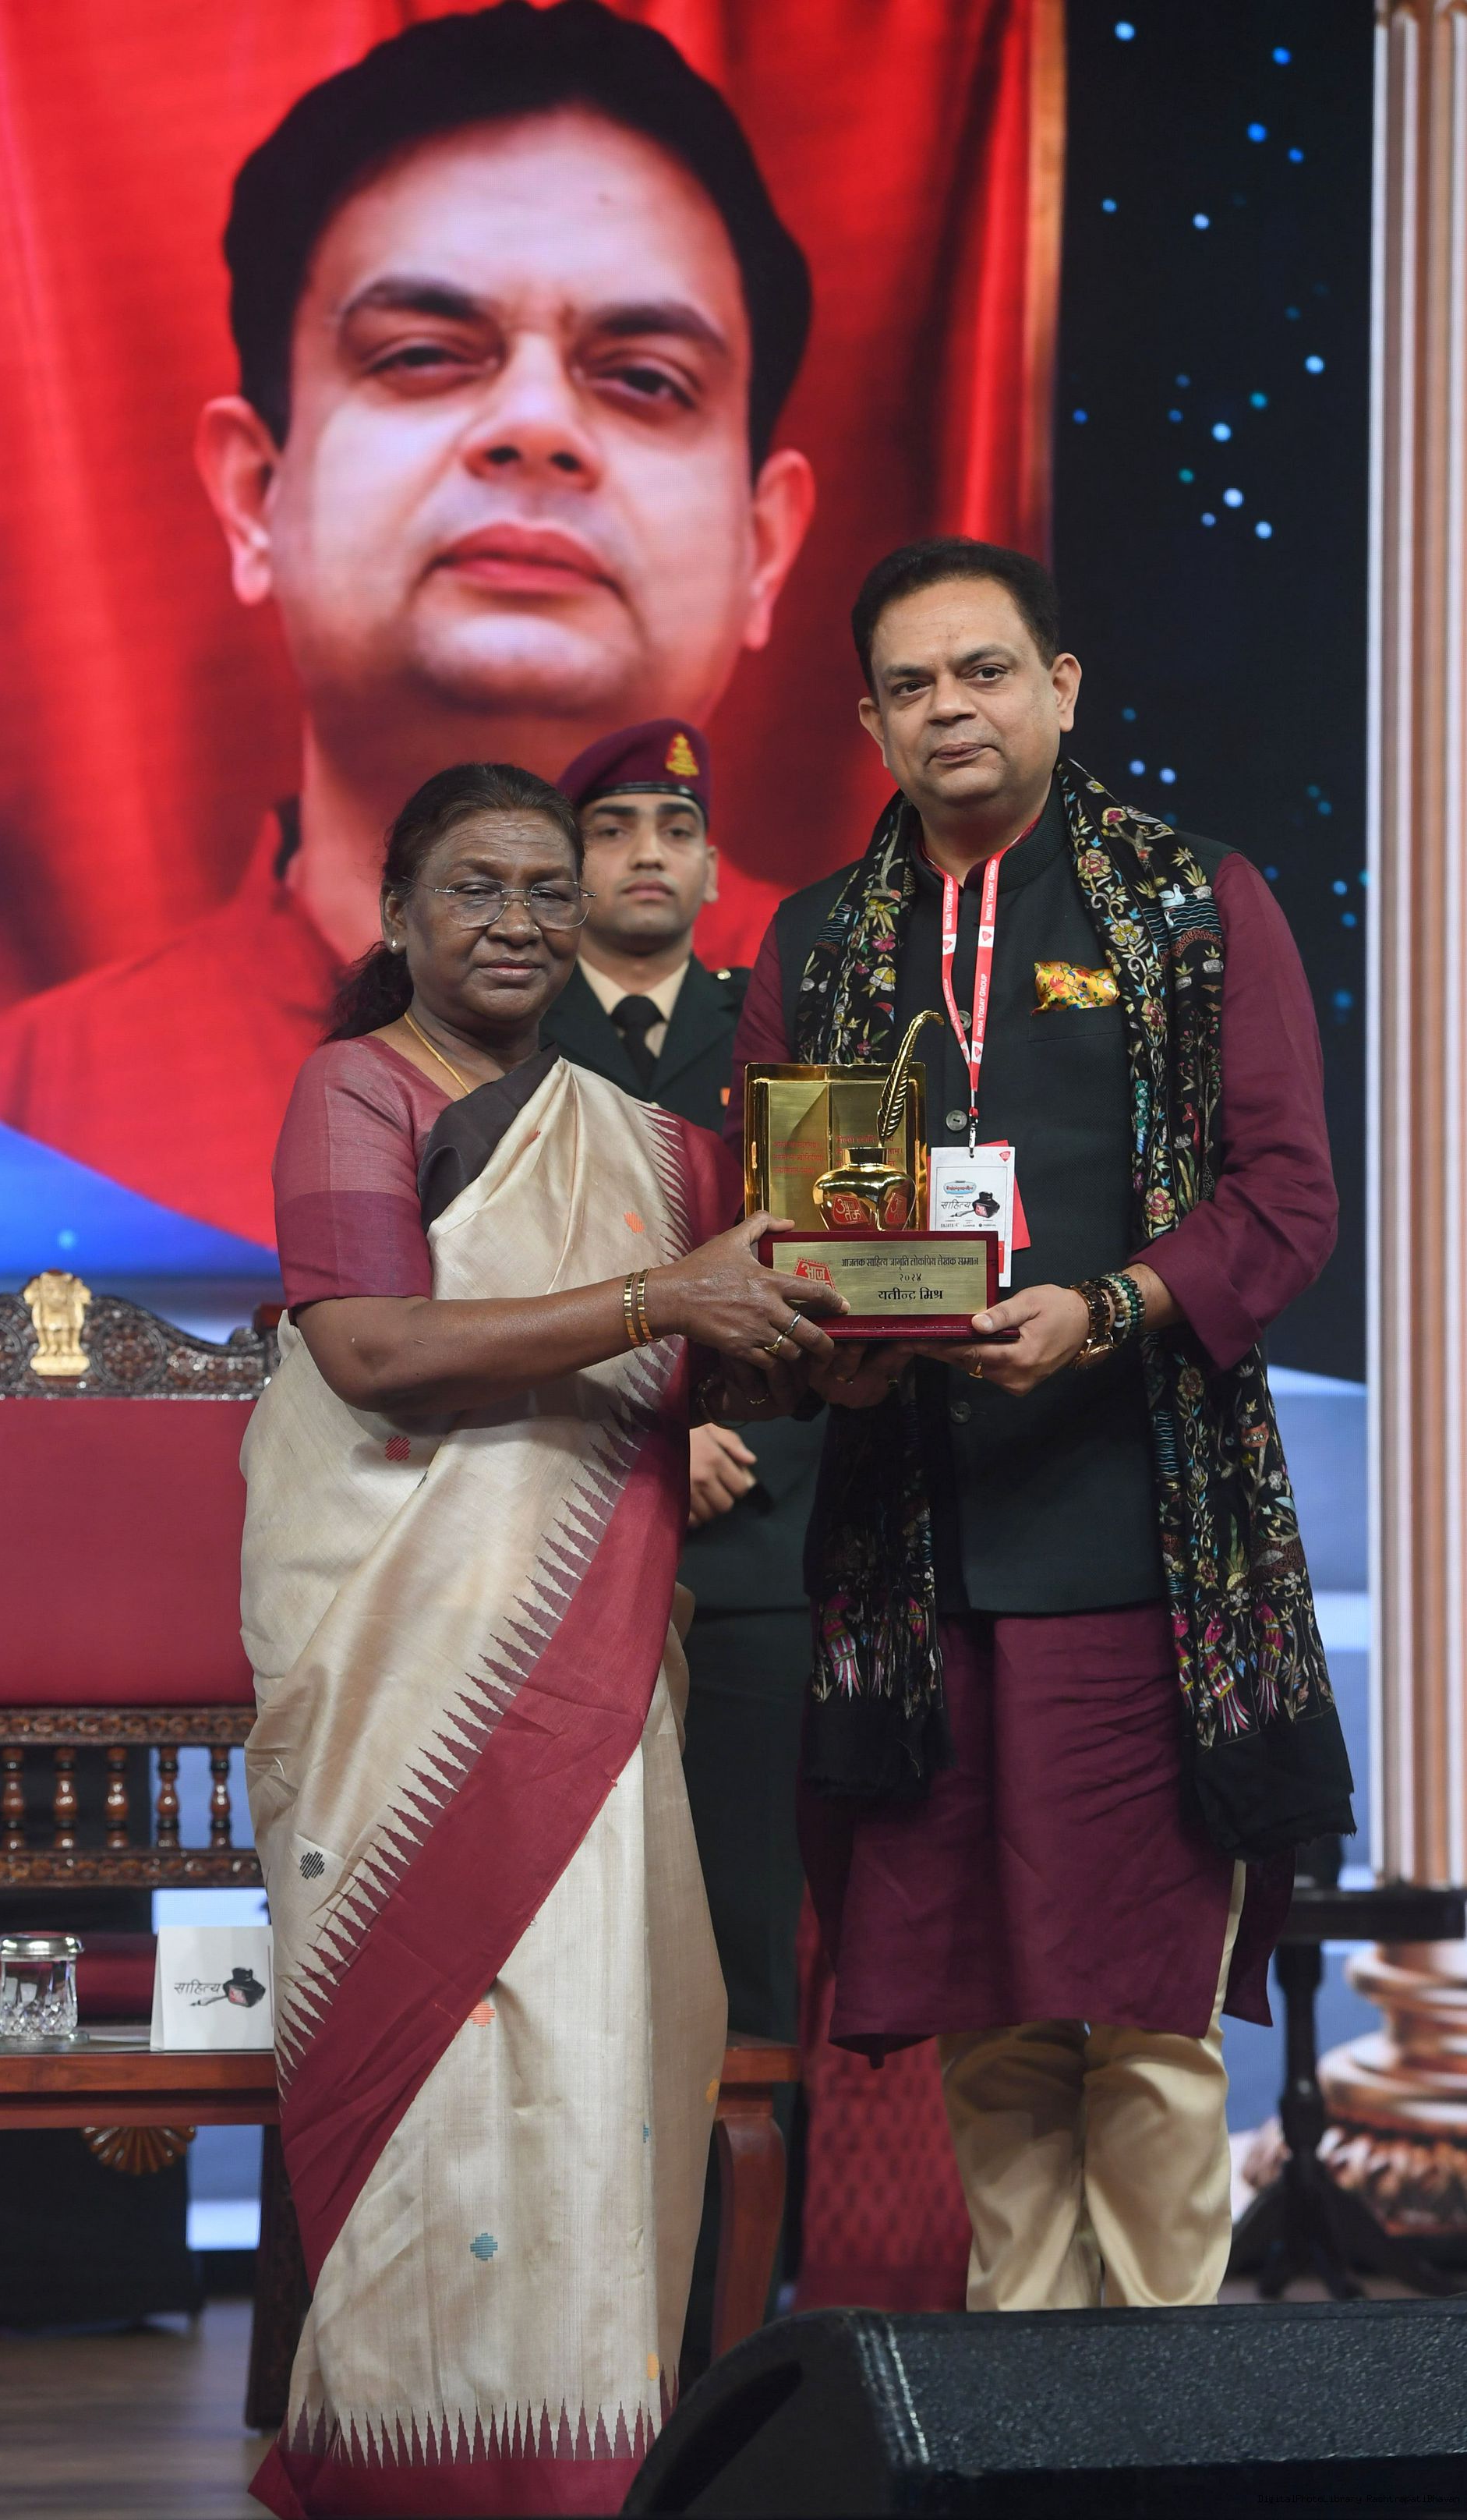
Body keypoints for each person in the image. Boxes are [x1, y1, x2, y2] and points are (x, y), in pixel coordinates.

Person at [727, 537, 1355, 2313]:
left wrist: (1111, 1310)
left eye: (984, 670)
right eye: (911, 685)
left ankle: (1162, 2408)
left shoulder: (1192, 900)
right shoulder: (820, 941)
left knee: (1147, 2022)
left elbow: (1286, 1200)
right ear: (870, 721)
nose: (951, 709)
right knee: (983, 2015)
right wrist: (832, 1355)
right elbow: (786, 1237)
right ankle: (1022, 2403)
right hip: (910, 1554)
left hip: (1145, 1543)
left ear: (1061, 688)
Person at [0, 0, 815, 1251]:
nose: (535, 426)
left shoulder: (871, 1031)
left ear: (765, 547)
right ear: (254, 497)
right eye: (421, 354)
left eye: (643, 379)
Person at [239, 760, 842, 2515]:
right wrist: (665, 1296)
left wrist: (866, 1325)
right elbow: (371, 1350)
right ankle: (401, 2460)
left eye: (544, 892)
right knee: (431, 2053)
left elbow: (744, 1333)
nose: (515, 921)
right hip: (396, 1655)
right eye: (474, 888)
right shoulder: (356, 1086)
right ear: (398, 915)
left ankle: (589, 2459)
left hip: (586, 1662)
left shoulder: (642, 1137)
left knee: (594, 2041)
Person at [543, 715, 823, 2359]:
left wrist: (741, 1431)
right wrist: (656, 1422)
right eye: (611, 827)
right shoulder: (505, 1039)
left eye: (674, 827)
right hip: (558, 1535)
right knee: (554, 1940)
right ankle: (571, 2324)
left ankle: (733, 2342)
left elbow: (832, 1270)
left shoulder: (771, 1035)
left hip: (751, 1551)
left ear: (714, 867)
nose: (645, 853)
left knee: (738, 1940)